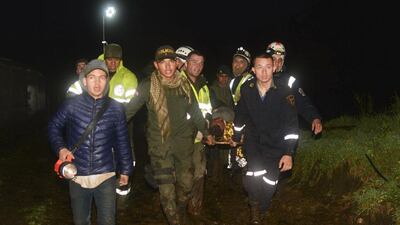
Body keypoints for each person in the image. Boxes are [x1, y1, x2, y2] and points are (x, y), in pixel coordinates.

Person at [125, 45, 214, 225]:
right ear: (156, 65)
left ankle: (180, 210)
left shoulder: (184, 85)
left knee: (187, 184)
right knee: (166, 191)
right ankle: (175, 220)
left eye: (170, 62)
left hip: (183, 144)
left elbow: (196, 112)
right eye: (162, 62)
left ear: (176, 63)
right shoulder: (147, 86)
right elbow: (127, 112)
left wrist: (206, 132)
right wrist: (108, 127)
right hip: (160, 146)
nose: (167, 67)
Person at [48, 59, 134, 225]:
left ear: (107, 81)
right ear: (85, 81)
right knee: (81, 221)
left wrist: (125, 170)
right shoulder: (71, 105)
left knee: (108, 221)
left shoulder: (116, 108)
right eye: (92, 77)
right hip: (77, 175)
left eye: (102, 77)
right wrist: (61, 148)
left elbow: (123, 141)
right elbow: (53, 127)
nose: (97, 82)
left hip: (106, 175)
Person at [230, 53, 299, 224]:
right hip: (253, 142)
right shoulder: (247, 89)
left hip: (276, 145)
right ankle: (254, 210)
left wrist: (289, 153)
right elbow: (240, 115)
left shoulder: (284, 91)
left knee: (270, 182)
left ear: (274, 68)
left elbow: (291, 125)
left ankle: (262, 206)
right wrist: (236, 136)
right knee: (253, 175)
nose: (264, 72)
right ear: (253, 70)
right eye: (259, 67)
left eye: (268, 67)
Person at [182, 50, 217, 216]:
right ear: (186, 63)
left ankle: (195, 211)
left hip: (200, 140)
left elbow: (208, 110)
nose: (197, 66)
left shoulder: (204, 86)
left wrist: (207, 129)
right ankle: (179, 210)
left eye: (201, 63)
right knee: (183, 177)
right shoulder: (176, 82)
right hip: (181, 139)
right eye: (194, 61)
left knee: (199, 173)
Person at [266, 41, 322, 135]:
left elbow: (303, 102)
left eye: (280, 60)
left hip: (283, 132)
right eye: (274, 59)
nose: (277, 63)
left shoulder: (290, 81)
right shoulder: (256, 78)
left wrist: (315, 118)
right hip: (260, 134)